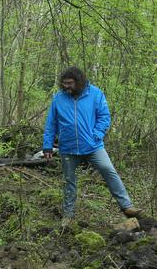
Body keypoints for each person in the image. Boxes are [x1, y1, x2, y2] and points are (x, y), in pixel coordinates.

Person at [42, 66, 141, 227]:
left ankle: (127, 206)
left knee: (108, 170)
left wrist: (96, 134)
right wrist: (47, 146)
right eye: (64, 83)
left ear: (79, 82)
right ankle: (68, 216)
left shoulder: (95, 94)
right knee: (69, 181)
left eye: (70, 83)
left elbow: (104, 117)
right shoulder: (58, 98)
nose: (66, 86)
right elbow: (51, 123)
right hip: (68, 147)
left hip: (93, 146)